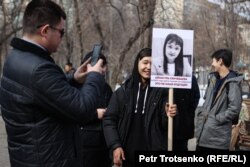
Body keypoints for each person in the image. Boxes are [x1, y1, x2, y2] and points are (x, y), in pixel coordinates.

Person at [0, 0, 105, 166]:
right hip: (48, 160)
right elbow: (83, 110)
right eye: (61, 32)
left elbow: (43, 95)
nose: (62, 38)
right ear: (45, 30)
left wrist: (74, 79)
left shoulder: (16, 57)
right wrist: (95, 76)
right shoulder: (39, 69)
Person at [103, 48, 177, 167]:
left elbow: (165, 126)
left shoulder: (163, 93)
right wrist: (115, 145)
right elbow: (109, 120)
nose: (148, 67)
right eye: (145, 62)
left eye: (152, 64)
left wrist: (169, 115)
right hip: (125, 157)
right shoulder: (123, 91)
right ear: (137, 62)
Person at [195, 49, 243, 151]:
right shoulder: (212, 78)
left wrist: (217, 119)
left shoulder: (233, 83)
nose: (212, 64)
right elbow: (207, 102)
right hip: (203, 136)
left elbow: (234, 109)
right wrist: (201, 114)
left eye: (214, 61)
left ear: (220, 61)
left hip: (217, 140)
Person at [80, 51, 113, 167]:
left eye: (104, 65)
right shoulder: (77, 86)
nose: (102, 69)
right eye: (98, 65)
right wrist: (95, 114)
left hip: (104, 144)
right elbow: (73, 111)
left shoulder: (107, 88)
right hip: (84, 145)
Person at [173, 75, 200, 151]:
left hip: (184, 120)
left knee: (182, 145)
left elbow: (196, 96)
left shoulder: (190, 77)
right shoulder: (167, 76)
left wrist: (189, 111)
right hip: (169, 121)